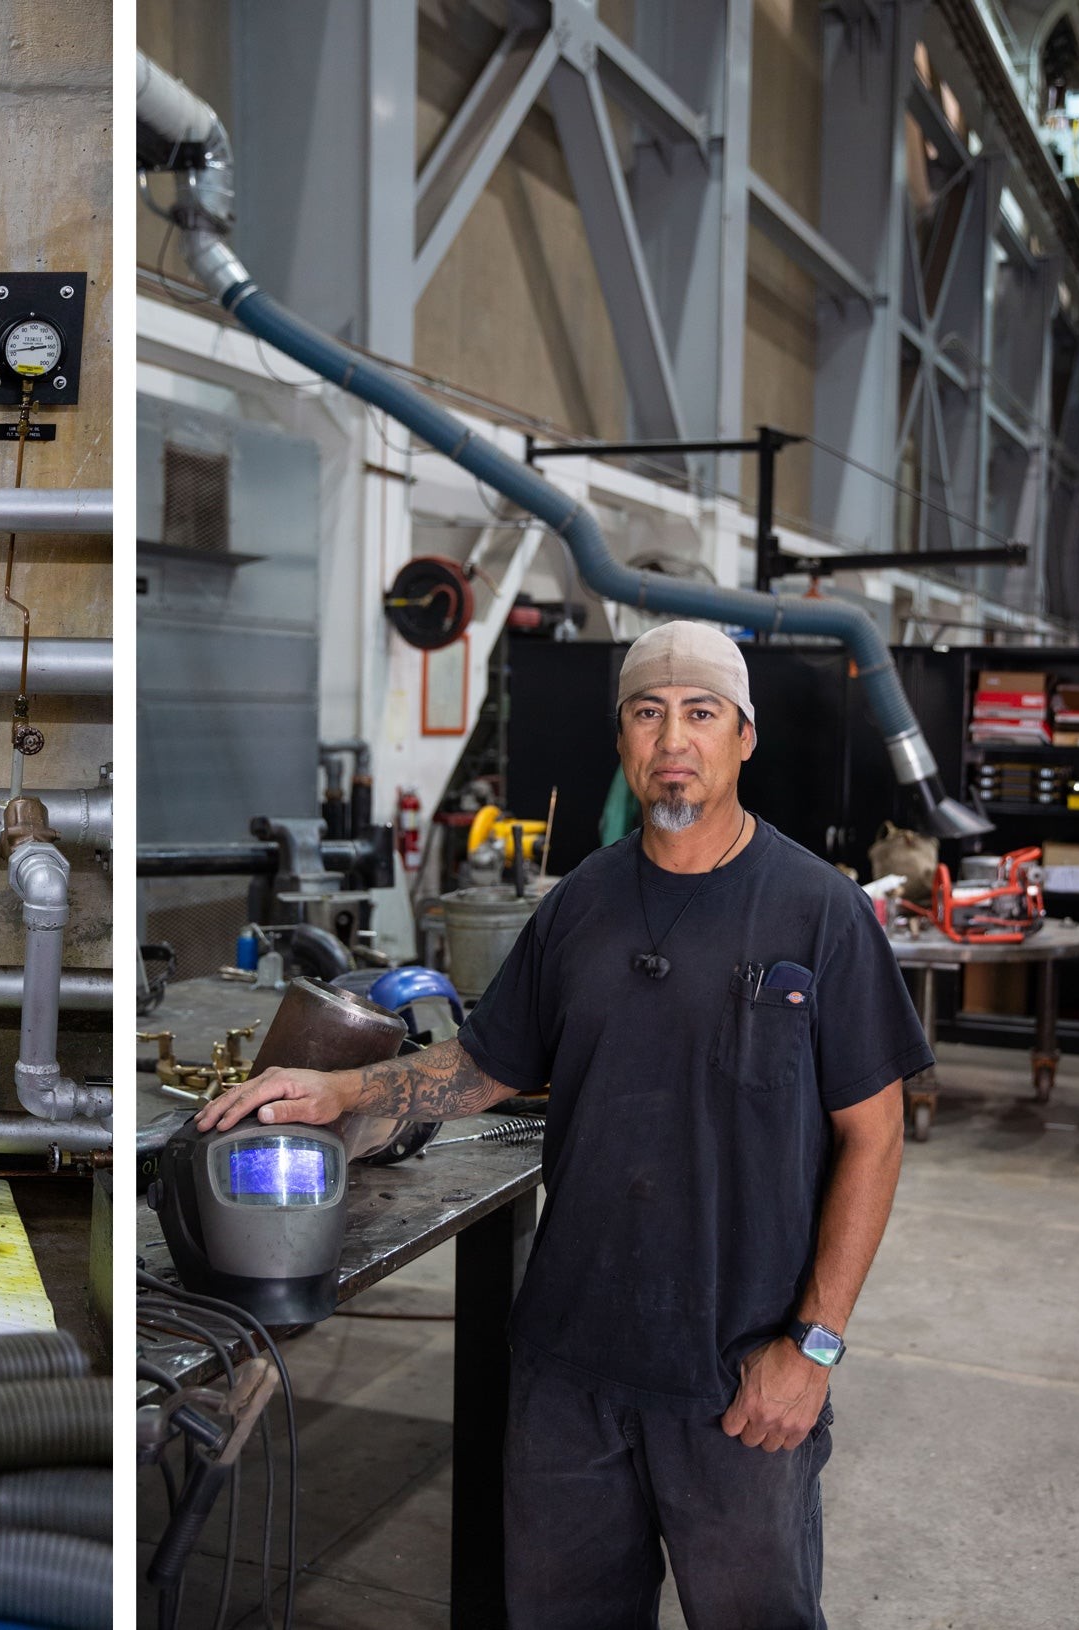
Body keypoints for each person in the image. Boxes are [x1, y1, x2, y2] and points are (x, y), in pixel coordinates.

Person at [196, 620, 927, 1630]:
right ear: (624, 739)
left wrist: (812, 1348)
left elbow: (874, 1136)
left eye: (701, 713)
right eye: (647, 711)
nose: (674, 736)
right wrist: (345, 1093)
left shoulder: (818, 912)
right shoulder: (580, 903)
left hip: (738, 1372)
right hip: (568, 1370)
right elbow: (487, 1064)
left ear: (743, 737)